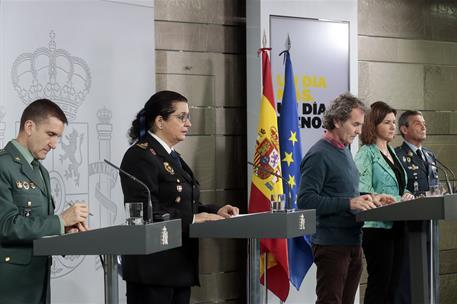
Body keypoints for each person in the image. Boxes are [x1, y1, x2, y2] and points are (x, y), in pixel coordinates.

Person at [119, 90, 239, 304]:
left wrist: (213, 211)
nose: (189, 123)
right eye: (181, 117)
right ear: (160, 121)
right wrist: (193, 219)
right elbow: (147, 213)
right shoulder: (140, 156)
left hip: (178, 266)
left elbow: (186, 203)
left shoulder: (171, 156)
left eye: (188, 117)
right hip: (153, 271)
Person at [297, 93, 394, 304]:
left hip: (352, 242)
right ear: (337, 121)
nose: (359, 131)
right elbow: (305, 200)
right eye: (355, 124)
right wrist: (349, 203)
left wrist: (371, 198)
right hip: (331, 245)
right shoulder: (319, 154)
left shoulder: (345, 151)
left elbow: (344, 194)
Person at [0, 99, 89, 304]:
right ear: (29, 127)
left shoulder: (41, 172)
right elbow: (5, 225)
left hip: (38, 284)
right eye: (51, 134)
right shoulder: (3, 165)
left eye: (58, 137)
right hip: (10, 287)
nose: (55, 145)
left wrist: (65, 230)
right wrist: (59, 221)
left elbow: (38, 224)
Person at [354, 101, 414, 304]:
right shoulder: (366, 153)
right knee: (380, 283)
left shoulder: (394, 153)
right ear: (374, 124)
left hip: (398, 225)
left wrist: (407, 195)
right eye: (387, 122)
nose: (392, 127)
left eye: (394, 122)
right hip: (377, 228)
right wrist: (398, 198)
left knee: (394, 285)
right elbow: (363, 191)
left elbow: (399, 186)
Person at [395, 110, 439, 196]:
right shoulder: (397, 155)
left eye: (424, 124)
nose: (423, 127)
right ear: (404, 129)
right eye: (418, 124)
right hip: (412, 207)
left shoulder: (429, 154)